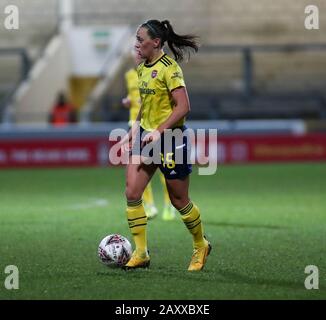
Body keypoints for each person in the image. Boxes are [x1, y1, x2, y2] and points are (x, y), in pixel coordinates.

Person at [118, 20, 211, 271]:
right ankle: (141, 252)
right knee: (132, 192)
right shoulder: (141, 68)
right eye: (136, 40)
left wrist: (159, 132)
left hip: (171, 139)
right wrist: (136, 127)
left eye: (140, 40)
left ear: (156, 42)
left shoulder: (170, 69)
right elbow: (146, 104)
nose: (136, 45)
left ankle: (200, 244)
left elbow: (183, 107)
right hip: (146, 137)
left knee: (179, 200)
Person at [122, 51, 176, 221]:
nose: (137, 56)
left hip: (154, 125)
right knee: (139, 168)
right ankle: (150, 205)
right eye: (135, 53)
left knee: (164, 169)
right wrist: (128, 101)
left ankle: (169, 205)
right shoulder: (130, 75)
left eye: (139, 53)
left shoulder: (158, 70)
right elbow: (133, 96)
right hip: (135, 123)